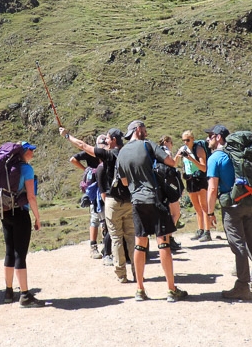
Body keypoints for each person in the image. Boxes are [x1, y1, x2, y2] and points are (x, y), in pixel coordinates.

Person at [116, 120, 188, 302]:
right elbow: (171, 162)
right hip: (154, 199)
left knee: (140, 244)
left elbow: (124, 182)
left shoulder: (122, 152)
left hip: (136, 202)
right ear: (138, 130)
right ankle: (171, 290)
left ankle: (140, 289)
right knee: (163, 242)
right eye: (144, 129)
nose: (146, 132)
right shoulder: (148, 145)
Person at [60, 127, 131, 281]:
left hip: (113, 199)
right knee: (131, 236)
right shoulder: (128, 152)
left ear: (112, 140)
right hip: (130, 200)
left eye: (107, 138)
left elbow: (82, 145)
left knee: (115, 236)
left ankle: (121, 274)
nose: (105, 141)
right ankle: (139, 271)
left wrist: (66, 135)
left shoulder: (107, 155)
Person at [205, 125, 252, 300]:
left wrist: (210, 213)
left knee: (237, 245)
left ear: (218, 137)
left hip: (232, 207)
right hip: (250, 203)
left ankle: (242, 286)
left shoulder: (216, 157)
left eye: (210, 136)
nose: (208, 140)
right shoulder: (239, 154)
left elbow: (212, 188)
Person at [1, 141, 44, 307]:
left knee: (9, 252)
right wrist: (37, 217)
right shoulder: (26, 169)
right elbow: (31, 197)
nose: (32, 153)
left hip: (5, 212)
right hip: (20, 213)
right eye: (30, 150)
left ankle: (8, 291)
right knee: (20, 254)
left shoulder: (6, 168)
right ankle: (24, 295)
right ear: (23, 152)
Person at [69, 135, 107, 259]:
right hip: (97, 188)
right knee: (98, 217)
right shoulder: (99, 153)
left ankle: (101, 246)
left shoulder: (92, 152)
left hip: (97, 188)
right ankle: (96, 246)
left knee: (99, 218)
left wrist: (85, 169)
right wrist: (86, 169)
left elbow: (73, 159)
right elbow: (73, 159)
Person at [176, 130, 211, 242]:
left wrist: (190, 158)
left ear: (192, 139)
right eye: (183, 140)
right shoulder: (184, 149)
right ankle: (200, 229)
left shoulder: (199, 149)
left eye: (187, 140)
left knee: (204, 206)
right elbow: (175, 162)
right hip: (190, 180)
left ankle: (207, 231)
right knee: (196, 207)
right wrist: (178, 155)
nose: (185, 142)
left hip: (200, 179)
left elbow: (203, 167)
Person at [157, 135, 184, 252]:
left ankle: (168, 237)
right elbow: (173, 163)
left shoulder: (157, 153)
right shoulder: (165, 151)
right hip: (169, 187)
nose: (171, 145)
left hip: (161, 187)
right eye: (171, 142)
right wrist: (178, 154)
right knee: (176, 213)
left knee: (169, 214)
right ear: (167, 142)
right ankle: (169, 237)